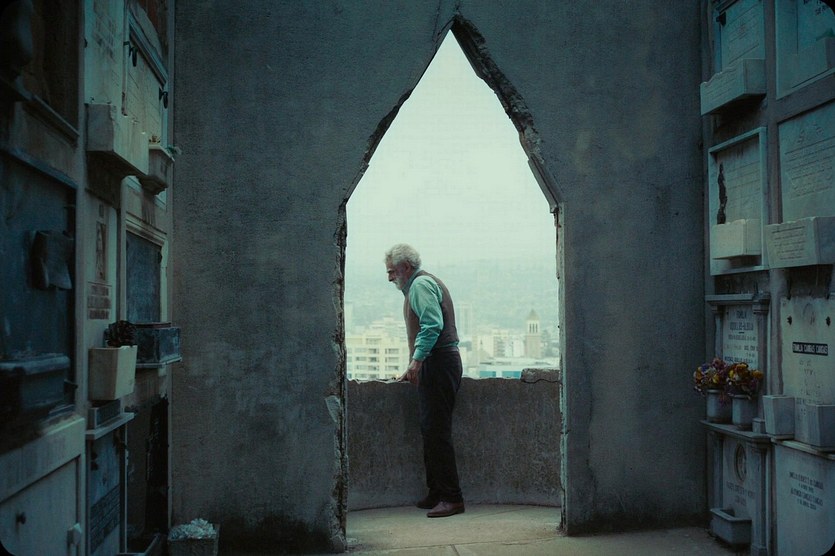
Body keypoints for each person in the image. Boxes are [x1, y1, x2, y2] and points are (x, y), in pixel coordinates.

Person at [384, 243, 465, 518]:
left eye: (392, 271)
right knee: (430, 430)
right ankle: (437, 492)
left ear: (406, 268)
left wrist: (416, 361)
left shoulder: (420, 286)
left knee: (437, 432)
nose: (389, 278)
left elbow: (432, 324)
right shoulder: (420, 285)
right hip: (438, 362)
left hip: (438, 362)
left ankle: (452, 498)